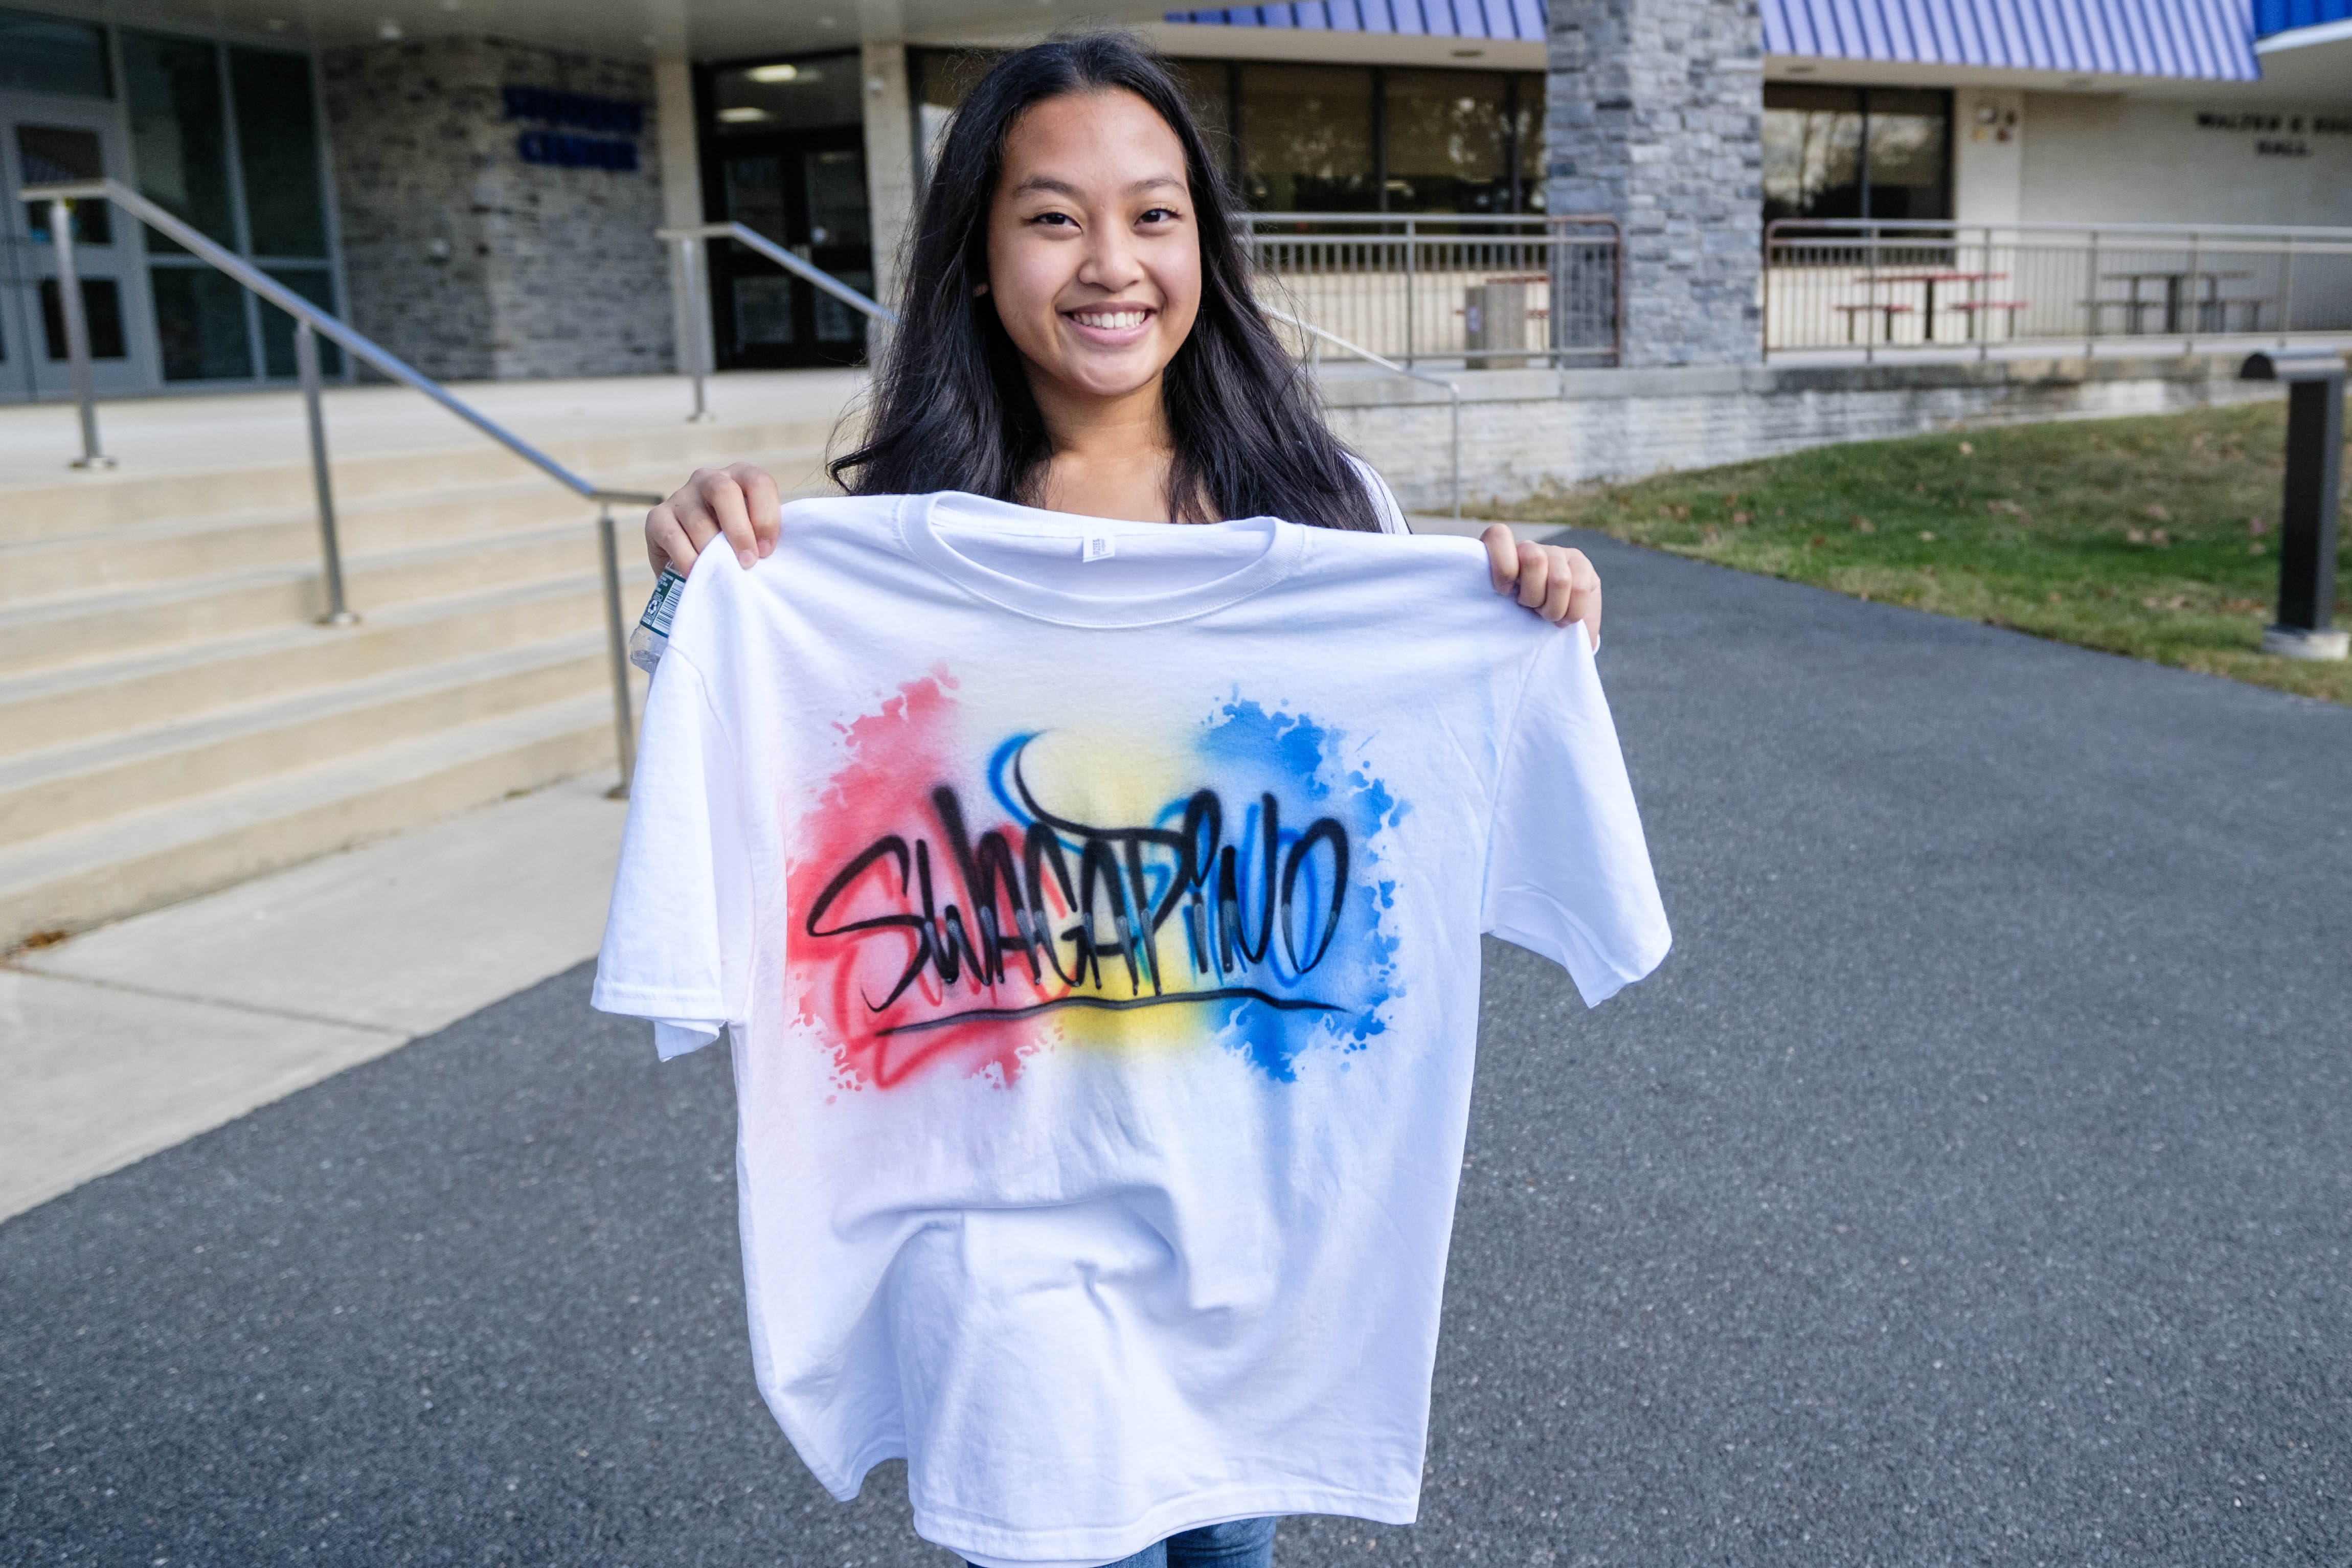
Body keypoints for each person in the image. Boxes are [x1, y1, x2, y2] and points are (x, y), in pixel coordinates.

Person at [630, 33, 1613, 1568]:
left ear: (1205, 251)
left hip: (1247, 1231)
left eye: (1155, 215)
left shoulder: (1338, 520)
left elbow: (1436, 796)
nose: (1112, 262)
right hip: (991, 1228)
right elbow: (735, 759)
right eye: (1052, 216)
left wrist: (1530, 633)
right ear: (973, 256)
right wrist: (697, 595)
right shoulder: (868, 550)